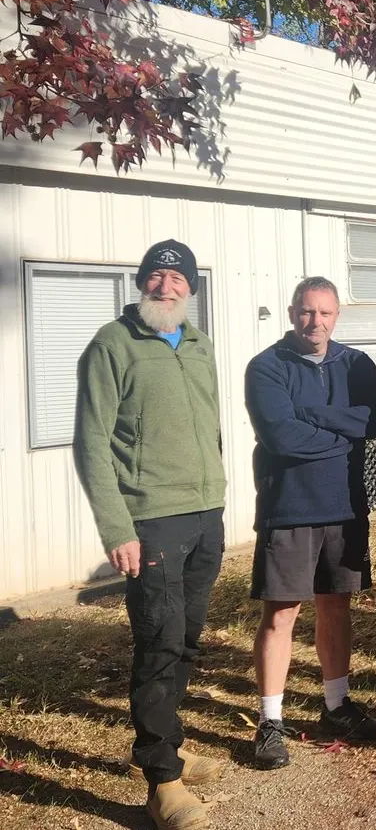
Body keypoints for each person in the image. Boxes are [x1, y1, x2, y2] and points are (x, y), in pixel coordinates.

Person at [73, 240, 226, 830]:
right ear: (142, 283)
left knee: (186, 638)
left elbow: (208, 424)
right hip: (151, 520)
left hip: (204, 512)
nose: (167, 286)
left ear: (191, 288)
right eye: (157, 276)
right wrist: (118, 527)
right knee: (158, 641)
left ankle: (174, 744)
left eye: (178, 278)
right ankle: (162, 781)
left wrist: (219, 496)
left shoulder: (198, 343)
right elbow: (91, 444)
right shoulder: (112, 345)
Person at [244, 277, 376, 770]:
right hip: (289, 507)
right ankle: (270, 721)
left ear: (337, 316)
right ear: (292, 313)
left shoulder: (356, 365)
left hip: (345, 507)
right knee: (281, 613)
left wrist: (312, 414)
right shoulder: (266, 367)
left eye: (325, 313)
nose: (316, 322)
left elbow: (375, 422)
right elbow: (280, 436)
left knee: (336, 607)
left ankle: (336, 704)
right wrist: (339, 430)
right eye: (307, 312)